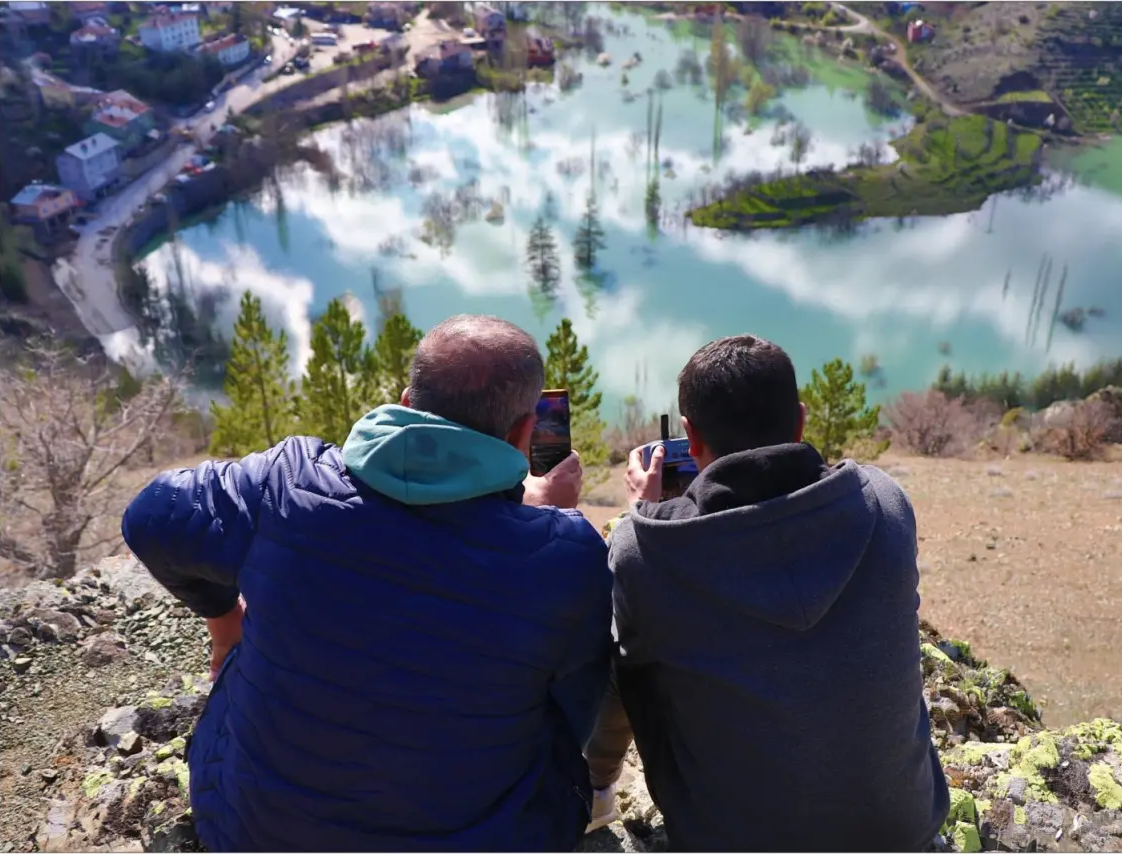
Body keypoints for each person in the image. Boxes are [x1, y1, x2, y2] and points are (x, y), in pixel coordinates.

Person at [121, 315, 614, 852]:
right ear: (523, 434)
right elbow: (574, 717)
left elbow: (150, 516)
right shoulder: (566, 556)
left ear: (405, 402)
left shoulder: (287, 484)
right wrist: (547, 526)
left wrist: (224, 621)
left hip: (252, 831)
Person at [588, 334, 949, 851]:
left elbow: (629, 655)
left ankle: (596, 791)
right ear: (800, 420)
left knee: (628, 645)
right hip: (902, 830)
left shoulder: (644, 552)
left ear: (689, 438)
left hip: (726, 840)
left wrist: (646, 517)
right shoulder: (885, 504)